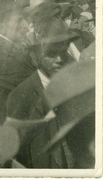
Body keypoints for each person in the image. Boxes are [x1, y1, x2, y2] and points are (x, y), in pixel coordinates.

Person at [6, 18, 78, 167]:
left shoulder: (73, 84)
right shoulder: (21, 96)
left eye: (63, 52)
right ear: (36, 55)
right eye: (51, 53)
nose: (59, 59)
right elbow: (16, 156)